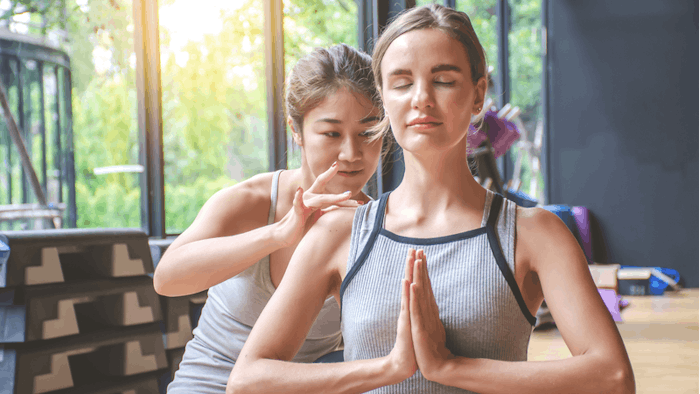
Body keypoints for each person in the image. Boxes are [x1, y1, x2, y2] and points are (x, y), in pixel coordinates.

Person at [226, 4, 635, 394]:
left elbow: (613, 377)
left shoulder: (535, 233)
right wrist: (386, 369)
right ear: (384, 97)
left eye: (443, 80)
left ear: (478, 95)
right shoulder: (338, 233)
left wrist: (451, 367)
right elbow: (247, 380)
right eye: (402, 83)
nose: (421, 97)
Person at [153, 43, 384, 393]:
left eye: (367, 133)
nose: (351, 153)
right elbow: (167, 279)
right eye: (332, 133)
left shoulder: (375, 227)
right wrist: (278, 234)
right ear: (297, 130)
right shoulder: (253, 201)